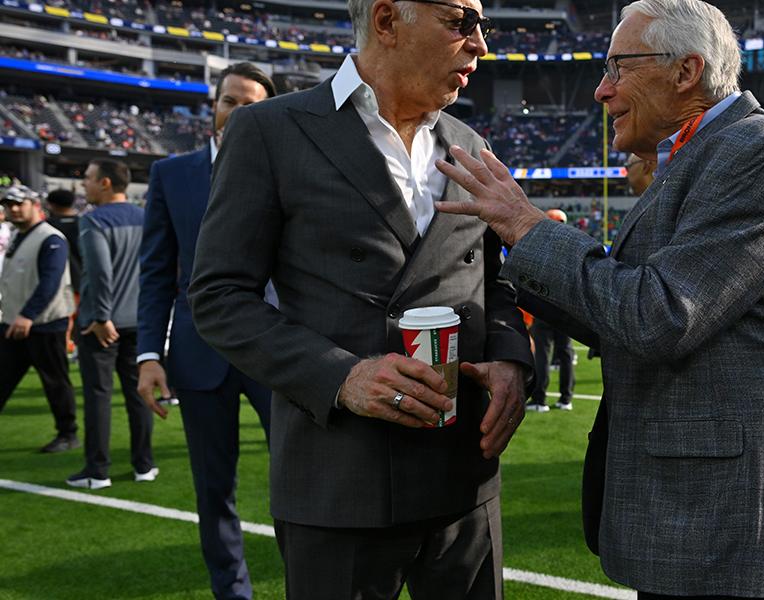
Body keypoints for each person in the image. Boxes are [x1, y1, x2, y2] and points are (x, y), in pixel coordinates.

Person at [436, 0, 764, 596]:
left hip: (726, 517)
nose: (602, 90)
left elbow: (658, 316)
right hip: (704, 508)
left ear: (686, 72)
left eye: (618, 67)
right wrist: (493, 262)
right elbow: (615, 315)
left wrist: (527, 228)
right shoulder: (701, 155)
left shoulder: (758, 151)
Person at [186, 0, 533, 597]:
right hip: (339, 477)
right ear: (387, 19)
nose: (480, 45)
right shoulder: (270, 129)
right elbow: (219, 296)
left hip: (463, 476)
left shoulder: (469, 142)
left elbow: (496, 279)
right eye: (461, 23)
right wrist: (342, 377)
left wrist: (509, 357)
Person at [136, 62, 276, 600]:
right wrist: (150, 353)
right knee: (213, 490)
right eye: (229, 101)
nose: (238, 112)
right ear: (213, 108)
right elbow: (156, 273)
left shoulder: (286, 168)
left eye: (251, 104)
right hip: (199, 354)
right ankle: (232, 593)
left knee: (300, 479)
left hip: (277, 349)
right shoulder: (171, 175)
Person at [65, 159, 155, 490]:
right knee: (139, 394)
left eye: (86, 178)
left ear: (104, 183)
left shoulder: (92, 221)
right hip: (140, 321)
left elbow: (100, 273)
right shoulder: (147, 217)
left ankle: (97, 470)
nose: (82, 185)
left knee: (98, 396)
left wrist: (101, 316)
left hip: (102, 325)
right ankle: (144, 464)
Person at [0, 184, 79, 453]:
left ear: (35, 205)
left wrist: (27, 315)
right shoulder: (18, 235)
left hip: (44, 323)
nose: (13, 209)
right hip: (14, 321)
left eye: (18, 204)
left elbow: (50, 282)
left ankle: (68, 434)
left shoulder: (51, 238)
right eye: (9, 204)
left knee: (55, 381)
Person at [526, 208, 576, 412]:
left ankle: (539, 399)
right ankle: (566, 398)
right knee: (565, 354)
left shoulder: (539, 246)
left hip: (545, 307)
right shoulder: (574, 245)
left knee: (542, 354)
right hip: (566, 308)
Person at [46, 189, 82, 355]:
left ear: (51, 204)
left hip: (56, 280)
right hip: (82, 279)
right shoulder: (84, 223)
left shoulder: (46, 226)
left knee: (62, 318)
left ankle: (64, 347)